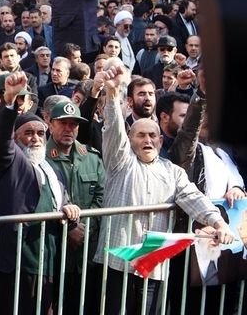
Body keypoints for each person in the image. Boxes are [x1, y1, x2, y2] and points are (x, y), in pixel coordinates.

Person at [94, 61, 235, 315]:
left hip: (155, 265)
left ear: (160, 141)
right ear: (130, 140)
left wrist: (218, 222)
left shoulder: (172, 171)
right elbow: (113, 130)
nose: (147, 139)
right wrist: (113, 94)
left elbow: (194, 198)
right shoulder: (120, 161)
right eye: (140, 135)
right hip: (118, 264)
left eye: (152, 135)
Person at [0, 72, 80, 315]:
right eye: (28, 133)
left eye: (40, 133)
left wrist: (70, 211)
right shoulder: (9, 160)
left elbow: (61, 202)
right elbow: (1, 138)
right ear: (16, 138)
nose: (35, 138)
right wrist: (10, 103)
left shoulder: (52, 168)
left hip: (48, 260)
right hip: (15, 262)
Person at [45, 101, 105, 314]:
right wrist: (67, 229)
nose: (69, 129)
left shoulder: (91, 157)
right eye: (63, 123)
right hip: (52, 250)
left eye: (74, 124)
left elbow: (101, 195)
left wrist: (83, 229)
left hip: (85, 252)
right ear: (50, 124)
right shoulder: (40, 157)